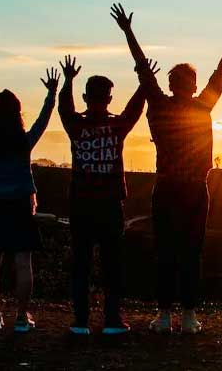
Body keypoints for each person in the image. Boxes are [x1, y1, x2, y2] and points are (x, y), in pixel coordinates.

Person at [110, 3, 222, 334]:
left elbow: (143, 70)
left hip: (167, 187)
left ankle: (164, 315)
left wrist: (128, 32)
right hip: (194, 189)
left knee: (165, 251)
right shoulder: (202, 105)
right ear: (192, 84)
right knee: (191, 251)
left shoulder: (159, 106)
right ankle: (188, 316)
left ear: (172, 83)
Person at [58, 55, 149, 335]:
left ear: (85, 97)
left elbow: (64, 107)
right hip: (109, 206)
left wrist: (68, 80)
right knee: (112, 264)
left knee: (81, 264)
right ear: (110, 99)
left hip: (81, 205)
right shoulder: (117, 126)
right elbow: (135, 109)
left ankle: (80, 321)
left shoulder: (76, 126)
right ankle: (111, 319)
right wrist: (144, 83)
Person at [0, 67, 60, 332]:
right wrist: (51, 95)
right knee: (23, 263)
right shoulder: (24, 141)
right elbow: (43, 121)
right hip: (21, 205)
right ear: (17, 112)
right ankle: (22, 317)